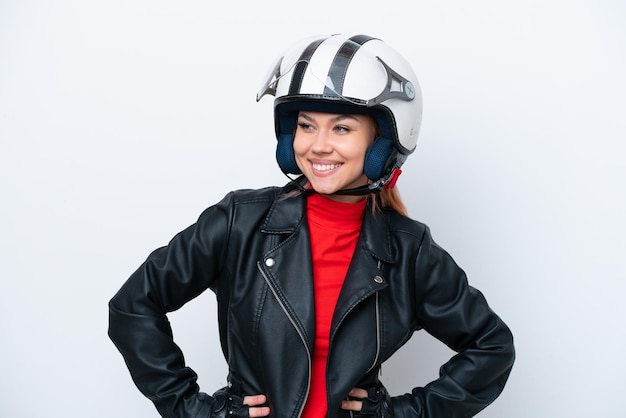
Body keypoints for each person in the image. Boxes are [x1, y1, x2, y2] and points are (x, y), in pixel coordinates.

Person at [108, 33, 515, 418]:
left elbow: (491, 347)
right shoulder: (240, 221)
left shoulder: (409, 250)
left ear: (382, 143)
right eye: (306, 125)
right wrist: (191, 409)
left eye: (341, 127)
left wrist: (405, 413)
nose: (318, 145)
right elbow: (133, 306)